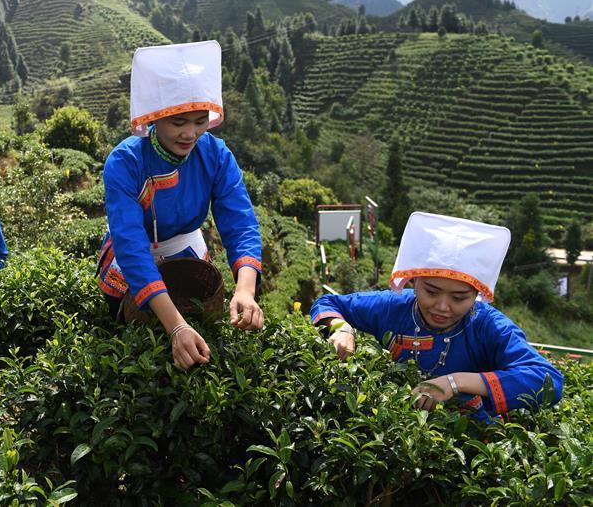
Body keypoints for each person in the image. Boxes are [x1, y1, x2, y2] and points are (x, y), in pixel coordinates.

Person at [98, 40, 264, 370]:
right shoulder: (125, 162)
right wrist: (175, 326)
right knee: (134, 347)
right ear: (154, 118)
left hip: (186, 250)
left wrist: (245, 290)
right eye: (178, 122)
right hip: (134, 261)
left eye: (200, 121)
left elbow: (240, 223)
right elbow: (131, 246)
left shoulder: (216, 156)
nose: (190, 133)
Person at [310, 212, 563, 420]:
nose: (443, 307)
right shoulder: (393, 306)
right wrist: (341, 328)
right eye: (431, 291)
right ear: (414, 280)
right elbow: (329, 302)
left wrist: (456, 383)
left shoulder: (488, 326)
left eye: (459, 298)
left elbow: (549, 382)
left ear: (476, 293)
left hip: (467, 445)